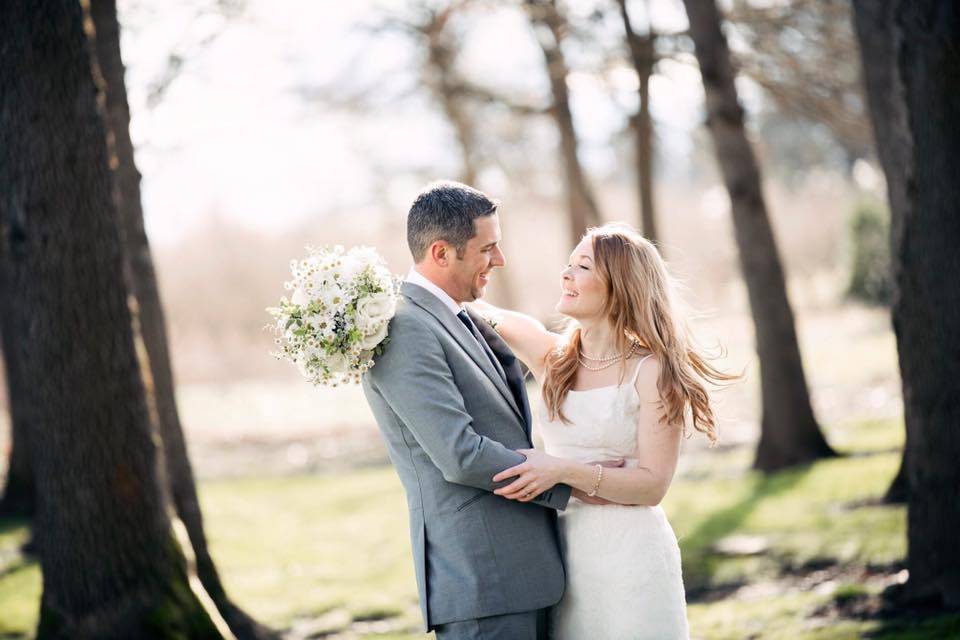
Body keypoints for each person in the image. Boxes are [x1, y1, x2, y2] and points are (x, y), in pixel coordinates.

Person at [473, 223, 737, 639]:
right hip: (564, 552)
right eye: (568, 263)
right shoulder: (554, 359)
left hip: (631, 553)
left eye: (582, 266)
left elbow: (651, 487)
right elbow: (476, 310)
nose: (566, 274)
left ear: (619, 286)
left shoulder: (652, 371)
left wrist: (560, 471)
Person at [363, 180, 579, 639]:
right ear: (442, 253)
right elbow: (460, 453)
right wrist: (567, 479)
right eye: (488, 248)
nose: (499, 261)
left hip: (522, 576)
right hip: (483, 581)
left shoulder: (456, 314)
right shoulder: (406, 329)